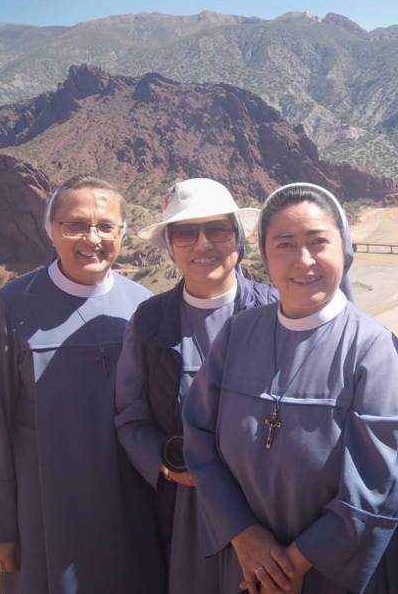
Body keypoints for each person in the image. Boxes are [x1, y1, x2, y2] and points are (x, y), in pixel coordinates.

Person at [183, 182, 398, 593]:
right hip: (244, 566)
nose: (304, 260)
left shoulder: (372, 348)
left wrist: (292, 565)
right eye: (285, 245)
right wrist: (242, 534)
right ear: (264, 255)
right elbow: (199, 438)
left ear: (344, 249)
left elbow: (378, 482)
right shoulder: (238, 334)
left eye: (318, 242)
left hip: (328, 572)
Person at [0, 176, 165, 593]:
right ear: (51, 230)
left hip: (130, 505)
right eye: (76, 225)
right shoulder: (13, 305)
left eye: (106, 226)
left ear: (122, 233)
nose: (93, 238)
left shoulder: (141, 305)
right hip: (45, 509)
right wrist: (0, 526)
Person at [114, 178, 277, 593]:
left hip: (266, 508)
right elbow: (131, 417)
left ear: (238, 238)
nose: (204, 244)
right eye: (186, 232)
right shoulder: (149, 323)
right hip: (185, 510)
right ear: (171, 246)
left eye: (217, 229)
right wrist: (166, 465)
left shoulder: (276, 313)